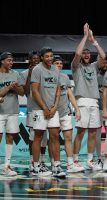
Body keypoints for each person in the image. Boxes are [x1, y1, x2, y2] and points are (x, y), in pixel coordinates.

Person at [72, 23, 106, 170]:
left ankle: (90, 160)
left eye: (88, 53)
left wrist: (94, 41)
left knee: (93, 132)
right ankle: (74, 161)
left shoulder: (93, 66)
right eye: (84, 53)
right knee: (80, 132)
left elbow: (103, 56)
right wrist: (85, 36)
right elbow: (77, 54)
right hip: (82, 101)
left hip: (94, 102)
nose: (85, 54)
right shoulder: (76, 66)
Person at [31, 47, 65, 177]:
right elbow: (34, 91)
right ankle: (35, 166)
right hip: (40, 109)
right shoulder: (37, 69)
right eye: (47, 56)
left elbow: (57, 89)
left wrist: (55, 106)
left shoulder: (56, 69)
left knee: (55, 136)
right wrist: (45, 108)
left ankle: (56, 166)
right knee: (38, 136)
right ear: (41, 58)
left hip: (53, 109)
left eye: (51, 56)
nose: (50, 58)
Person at [53, 56, 84, 173]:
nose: (59, 65)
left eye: (61, 63)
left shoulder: (65, 77)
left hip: (65, 112)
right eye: (57, 63)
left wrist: (77, 109)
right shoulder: (47, 76)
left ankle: (70, 164)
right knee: (54, 139)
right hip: (53, 113)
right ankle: (55, 164)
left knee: (68, 138)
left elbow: (69, 93)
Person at [20, 51, 50, 174]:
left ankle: (41, 161)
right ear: (30, 60)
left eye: (38, 58)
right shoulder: (24, 73)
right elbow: (25, 91)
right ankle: (32, 161)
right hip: (33, 108)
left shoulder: (45, 71)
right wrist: (30, 75)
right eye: (34, 59)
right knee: (33, 136)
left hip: (45, 108)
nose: (36, 60)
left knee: (44, 137)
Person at [0, 52, 24, 176]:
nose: (11, 62)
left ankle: (6, 166)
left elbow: (22, 93)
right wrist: (9, 87)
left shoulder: (16, 74)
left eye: (12, 60)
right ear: (2, 61)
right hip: (0, 112)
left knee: (10, 137)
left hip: (13, 112)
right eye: (9, 60)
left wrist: (16, 87)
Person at [94, 55, 107, 170]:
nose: (104, 65)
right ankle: (99, 157)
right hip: (97, 108)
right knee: (97, 134)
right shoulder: (94, 76)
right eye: (102, 63)